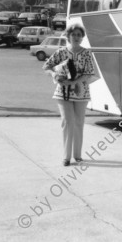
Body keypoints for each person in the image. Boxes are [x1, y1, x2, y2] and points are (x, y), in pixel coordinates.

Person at [43, 24, 96, 167]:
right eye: (74, 35)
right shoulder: (61, 52)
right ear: (68, 36)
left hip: (81, 91)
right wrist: (55, 74)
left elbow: (89, 72)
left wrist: (75, 82)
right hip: (62, 92)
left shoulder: (86, 53)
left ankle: (77, 155)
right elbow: (46, 67)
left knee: (79, 123)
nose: (77, 37)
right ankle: (66, 157)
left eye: (79, 35)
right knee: (67, 122)